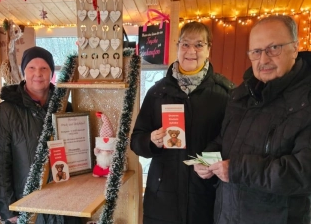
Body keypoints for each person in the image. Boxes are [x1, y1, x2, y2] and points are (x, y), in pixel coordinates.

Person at [194, 15, 311, 224]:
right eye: (256, 52)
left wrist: (239, 170)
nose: (264, 60)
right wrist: (206, 159)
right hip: (227, 216)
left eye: (274, 48)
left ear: (295, 48)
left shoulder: (305, 99)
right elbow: (224, 141)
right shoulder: (241, 95)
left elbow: (303, 172)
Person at [130, 21, 234, 224]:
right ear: (177, 47)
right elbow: (136, 140)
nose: (191, 51)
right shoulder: (157, 92)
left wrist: (212, 159)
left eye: (199, 45)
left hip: (205, 196)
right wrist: (151, 140)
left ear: (208, 49)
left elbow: (233, 140)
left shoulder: (226, 93)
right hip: (163, 198)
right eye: (185, 44)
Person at [0, 46, 79, 224]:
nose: (37, 74)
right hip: (26, 204)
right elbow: (1, 162)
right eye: (31, 68)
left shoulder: (65, 108)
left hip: (64, 202)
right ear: (24, 71)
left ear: (51, 73)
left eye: (44, 68)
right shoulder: (6, 111)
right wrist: (8, 208)